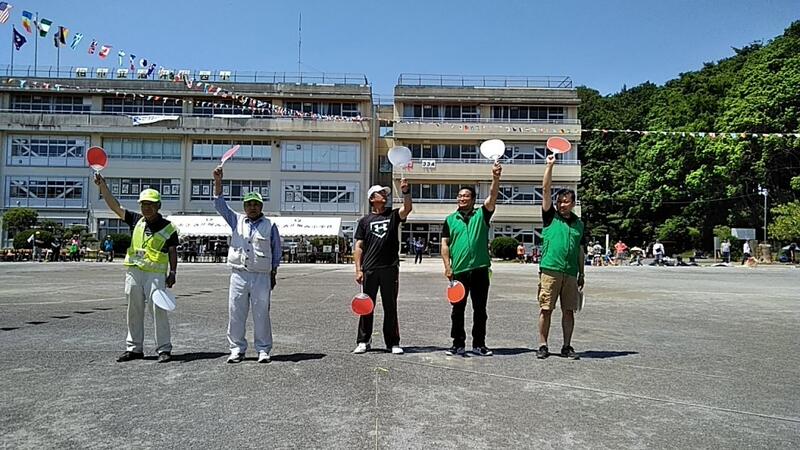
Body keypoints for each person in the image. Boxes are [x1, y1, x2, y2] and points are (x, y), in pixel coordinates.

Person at [95, 174, 178, 363]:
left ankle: (164, 348)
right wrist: (103, 186)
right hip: (134, 271)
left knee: (158, 310)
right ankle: (134, 348)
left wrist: (172, 272)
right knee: (133, 309)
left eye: (150, 204)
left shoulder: (169, 227)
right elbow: (115, 207)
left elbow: (173, 251)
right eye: (143, 204)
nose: (146, 207)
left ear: (158, 205)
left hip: (156, 274)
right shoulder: (136, 220)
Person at [213, 166, 282, 364]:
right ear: (244, 206)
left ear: (261, 206)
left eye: (256, 204)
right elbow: (220, 205)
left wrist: (273, 273)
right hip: (239, 273)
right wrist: (218, 182)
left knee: (261, 314)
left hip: (261, 275)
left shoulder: (270, 225)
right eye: (249, 204)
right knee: (236, 312)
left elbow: (276, 251)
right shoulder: (236, 221)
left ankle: (263, 349)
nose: (252, 207)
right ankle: (236, 348)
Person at [440, 161, 502, 357]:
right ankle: (457, 344)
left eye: (466, 196)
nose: (462, 198)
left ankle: (479, 344)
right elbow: (444, 244)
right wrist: (447, 267)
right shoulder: (450, 220)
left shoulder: (482, 214)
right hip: (459, 271)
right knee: (457, 310)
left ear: (473, 199)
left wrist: (495, 177)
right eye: (460, 196)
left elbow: (492, 196)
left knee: (480, 310)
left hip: (480, 269)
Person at [353, 178, 413, 355]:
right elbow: (359, 246)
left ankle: (392, 342)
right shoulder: (364, 221)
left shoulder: (392, 215)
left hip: (389, 268)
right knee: (366, 305)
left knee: (390, 306)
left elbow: (407, 208)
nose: (385, 195)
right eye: (381, 193)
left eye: (385, 193)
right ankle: (364, 341)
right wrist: (358, 269)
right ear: (372, 198)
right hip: (370, 268)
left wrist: (405, 192)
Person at [535, 154, 584, 360]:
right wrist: (549, 166)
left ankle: (566, 346)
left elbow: (580, 250)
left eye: (566, 202)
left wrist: (582, 273)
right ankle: (542, 345)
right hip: (550, 270)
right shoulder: (550, 216)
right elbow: (546, 189)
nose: (562, 205)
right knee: (546, 308)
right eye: (560, 202)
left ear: (573, 203)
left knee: (569, 311)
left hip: (571, 273)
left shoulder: (579, 224)